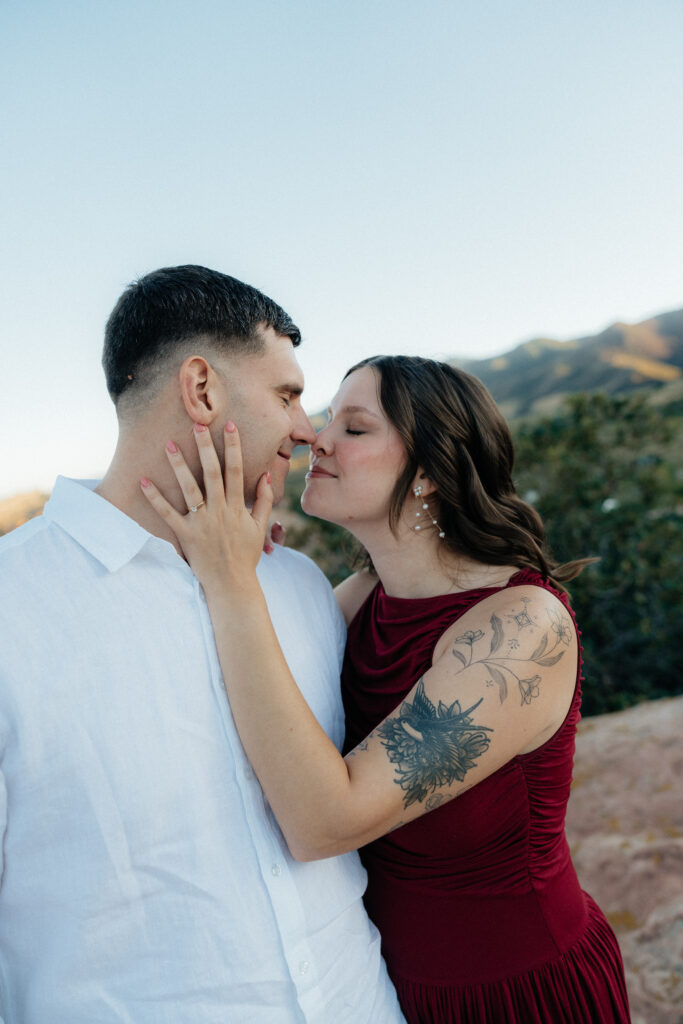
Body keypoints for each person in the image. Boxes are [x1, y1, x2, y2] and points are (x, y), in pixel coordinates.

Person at [142, 353, 632, 1023]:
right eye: (328, 421)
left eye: (354, 427)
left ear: (428, 470)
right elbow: (256, 701)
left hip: (518, 994)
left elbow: (324, 823)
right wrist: (256, 573)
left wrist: (232, 583)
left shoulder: (521, 627)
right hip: (385, 991)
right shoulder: (359, 599)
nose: (317, 438)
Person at [0, 267, 405, 1023]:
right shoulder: (12, 610)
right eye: (286, 395)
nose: (307, 430)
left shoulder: (299, 586)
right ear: (201, 389)